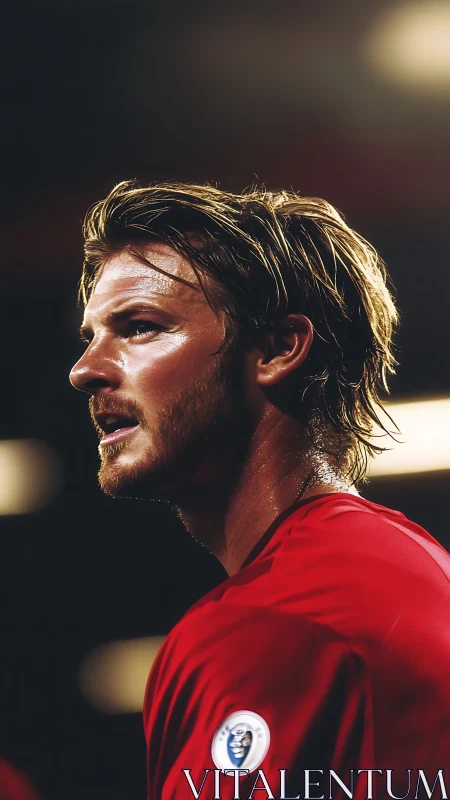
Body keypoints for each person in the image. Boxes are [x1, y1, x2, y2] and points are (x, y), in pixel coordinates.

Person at [70, 182, 450, 800]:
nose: (85, 368)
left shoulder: (269, 621)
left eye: (139, 327)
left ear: (277, 348)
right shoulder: (417, 566)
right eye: (89, 336)